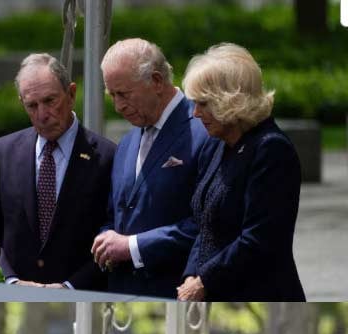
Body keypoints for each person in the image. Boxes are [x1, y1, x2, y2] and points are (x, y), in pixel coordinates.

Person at [0, 53, 115, 290]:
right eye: (32, 105)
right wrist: (11, 281)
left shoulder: (107, 156)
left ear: (71, 94)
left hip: (81, 297)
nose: (42, 115)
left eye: (50, 101)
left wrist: (70, 286)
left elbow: (113, 236)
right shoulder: (3, 152)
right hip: (14, 295)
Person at [91, 39, 220, 297]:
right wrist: (106, 240)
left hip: (176, 295)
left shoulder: (205, 131)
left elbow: (210, 225)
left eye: (124, 94)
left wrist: (133, 247)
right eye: (112, 95)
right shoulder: (127, 142)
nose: (118, 106)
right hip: (122, 295)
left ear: (157, 81)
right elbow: (115, 213)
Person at [178, 44, 305, 302]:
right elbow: (205, 226)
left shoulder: (271, 149)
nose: (195, 113)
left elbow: (259, 240)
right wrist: (191, 276)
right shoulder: (218, 144)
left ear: (231, 99)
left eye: (203, 103)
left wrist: (204, 281)